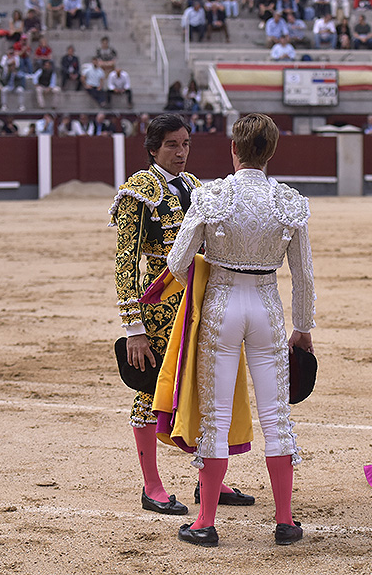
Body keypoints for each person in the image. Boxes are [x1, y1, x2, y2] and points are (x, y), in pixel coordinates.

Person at [167, 113, 315, 547]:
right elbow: (303, 276)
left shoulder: (211, 195)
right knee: (276, 416)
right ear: (271, 152)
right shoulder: (289, 202)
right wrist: (303, 327)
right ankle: (285, 522)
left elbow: (177, 263)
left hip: (222, 308)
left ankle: (205, 523)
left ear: (233, 148)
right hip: (268, 308)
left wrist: (203, 270)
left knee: (214, 418)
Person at [109, 113, 256, 520]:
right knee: (147, 393)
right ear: (153, 148)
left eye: (186, 143)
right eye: (172, 145)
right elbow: (125, 262)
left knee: (210, 384)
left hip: (200, 303)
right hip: (158, 313)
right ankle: (151, 485)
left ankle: (209, 479)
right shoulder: (139, 192)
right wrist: (134, 328)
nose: (181, 152)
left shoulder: (195, 187)